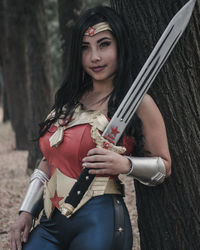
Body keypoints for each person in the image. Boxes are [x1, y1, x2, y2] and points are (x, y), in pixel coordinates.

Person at [10, 5, 171, 250]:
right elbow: (48, 161)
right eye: (85, 48)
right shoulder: (69, 99)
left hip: (100, 220)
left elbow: (164, 166)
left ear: (120, 45)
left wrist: (125, 165)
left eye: (104, 44)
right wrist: (26, 211)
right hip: (50, 221)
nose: (94, 57)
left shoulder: (138, 103)